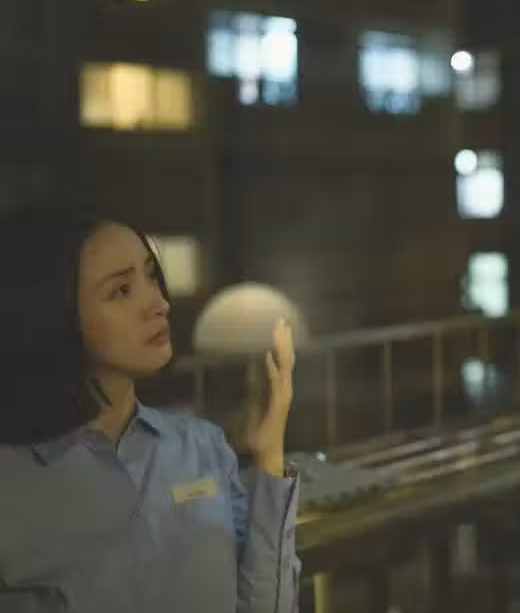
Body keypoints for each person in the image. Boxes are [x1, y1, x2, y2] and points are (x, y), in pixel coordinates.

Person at [0, 201, 301, 613]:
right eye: (122, 291)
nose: (159, 303)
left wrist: (270, 452)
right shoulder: (15, 484)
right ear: (57, 314)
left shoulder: (202, 447)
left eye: (152, 276)